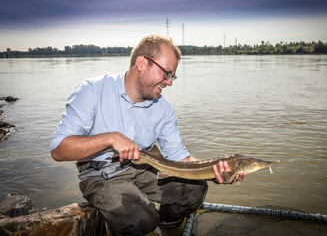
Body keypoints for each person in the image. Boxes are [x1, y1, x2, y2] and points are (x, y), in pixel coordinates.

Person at [50, 35, 243, 235]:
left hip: (146, 168)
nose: (169, 83)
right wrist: (109, 138)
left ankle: (167, 224)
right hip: (101, 176)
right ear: (142, 63)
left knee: (195, 190)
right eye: (166, 74)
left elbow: (179, 157)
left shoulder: (165, 109)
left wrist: (215, 171)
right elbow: (58, 150)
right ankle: (138, 221)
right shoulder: (91, 91)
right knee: (143, 220)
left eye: (172, 76)